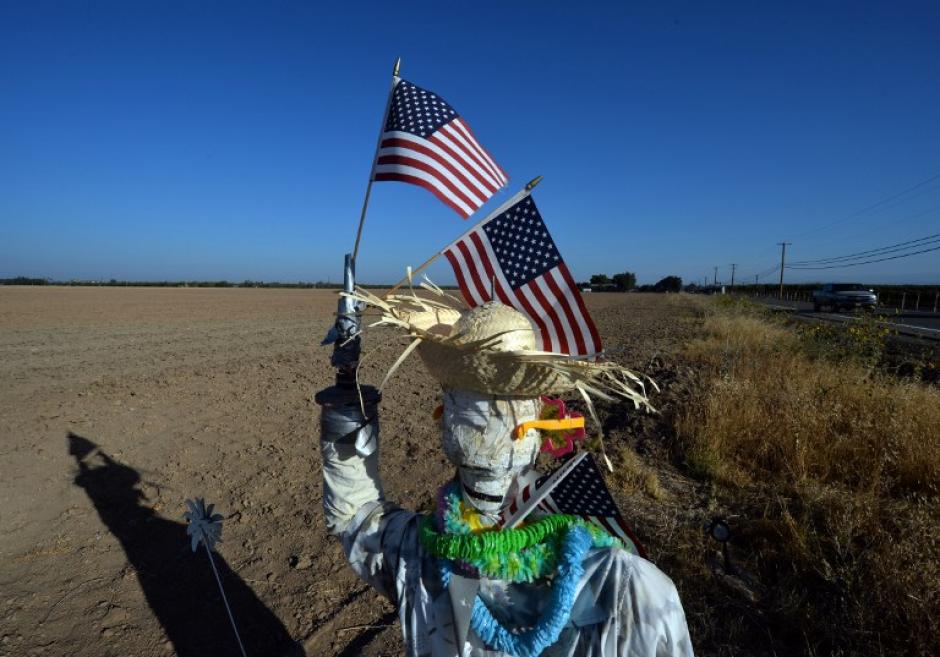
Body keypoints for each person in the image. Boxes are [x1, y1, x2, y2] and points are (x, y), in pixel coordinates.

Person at [319, 292, 694, 657]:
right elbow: (358, 518)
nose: (487, 434)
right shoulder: (635, 589)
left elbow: (356, 517)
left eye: (500, 412)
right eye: (474, 411)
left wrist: (346, 404)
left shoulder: (414, 558)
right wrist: (347, 400)